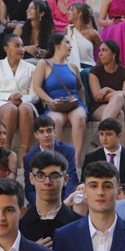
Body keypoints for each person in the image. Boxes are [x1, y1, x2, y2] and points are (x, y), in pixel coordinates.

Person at [31, 32, 87, 171]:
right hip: (54, 104)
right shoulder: (43, 63)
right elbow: (37, 87)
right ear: (56, 45)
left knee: (79, 118)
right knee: (54, 122)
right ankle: (58, 160)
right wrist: (50, 101)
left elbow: (80, 88)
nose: (70, 46)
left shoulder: (72, 66)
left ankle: (75, 161)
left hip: (74, 103)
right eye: (67, 42)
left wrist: (84, 104)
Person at [0, 34, 36, 162]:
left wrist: (22, 99)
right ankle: (4, 151)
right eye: (17, 46)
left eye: (22, 46)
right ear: (6, 48)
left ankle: (26, 154)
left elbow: (35, 95)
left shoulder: (31, 68)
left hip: (24, 102)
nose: (21, 49)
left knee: (24, 108)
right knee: (11, 109)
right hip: (1, 103)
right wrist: (8, 97)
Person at [20, 150, 80, 246]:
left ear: (65, 180)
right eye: (40, 175)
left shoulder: (79, 224)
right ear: (31, 178)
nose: (47, 182)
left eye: (54, 176)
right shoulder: (19, 225)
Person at [22, 116, 77, 206]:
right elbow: (29, 189)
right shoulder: (29, 157)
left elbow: (72, 178)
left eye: (49, 130)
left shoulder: (68, 150)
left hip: (63, 198)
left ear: (55, 132)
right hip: (39, 201)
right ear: (36, 135)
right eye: (41, 132)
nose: (46, 135)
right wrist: (44, 204)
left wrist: (63, 203)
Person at [89, 39, 125, 125]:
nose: (100, 54)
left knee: (119, 97)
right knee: (119, 114)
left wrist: (107, 89)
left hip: (122, 104)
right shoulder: (95, 71)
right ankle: (105, 129)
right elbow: (98, 97)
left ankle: (102, 129)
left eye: (104, 50)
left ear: (114, 54)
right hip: (99, 106)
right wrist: (119, 94)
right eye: (100, 50)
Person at [82, 118, 125, 185]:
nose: (104, 138)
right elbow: (83, 182)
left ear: (119, 136)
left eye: (109, 134)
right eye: (101, 134)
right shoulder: (91, 158)